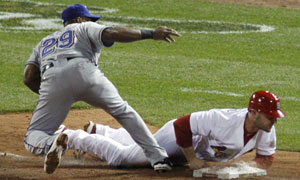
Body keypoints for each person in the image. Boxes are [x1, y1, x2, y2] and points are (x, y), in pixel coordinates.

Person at [23, 4, 180, 174]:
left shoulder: (44, 42)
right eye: (90, 18)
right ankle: (158, 158)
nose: (92, 21)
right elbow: (111, 33)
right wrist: (151, 34)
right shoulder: (83, 26)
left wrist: (53, 96)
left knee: (35, 134)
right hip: (85, 71)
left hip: (52, 80)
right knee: (123, 111)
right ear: (79, 19)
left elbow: (29, 77)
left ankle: (52, 143)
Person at [63, 90, 285, 170]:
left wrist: (245, 170)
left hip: (194, 148)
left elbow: (265, 160)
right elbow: (182, 125)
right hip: (177, 138)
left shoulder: (266, 130)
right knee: (125, 159)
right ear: (254, 113)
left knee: (139, 148)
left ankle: (100, 131)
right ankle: (73, 137)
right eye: (270, 116)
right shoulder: (221, 119)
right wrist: (191, 159)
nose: (273, 121)